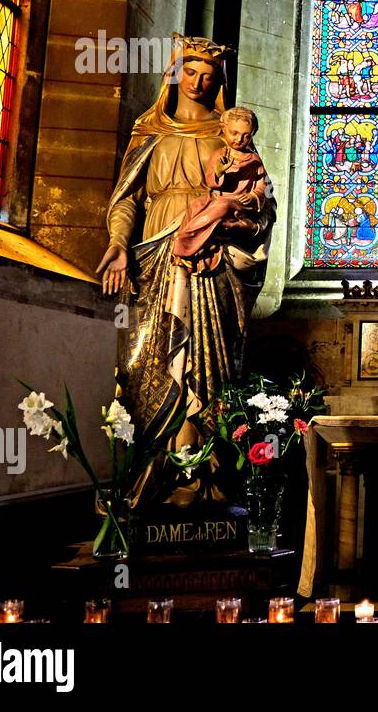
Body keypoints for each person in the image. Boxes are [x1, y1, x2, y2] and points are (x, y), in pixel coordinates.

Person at [95, 35, 274, 507]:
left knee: (201, 363)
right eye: (190, 72)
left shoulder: (231, 135)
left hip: (210, 262)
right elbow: (128, 197)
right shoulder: (149, 128)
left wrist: (228, 214)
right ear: (175, 72)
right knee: (148, 362)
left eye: (209, 77)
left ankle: (199, 472)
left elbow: (261, 203)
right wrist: (117, 244)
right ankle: (149, 473)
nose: (198, 83)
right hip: (154, 252)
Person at [170, 107, 270, 270]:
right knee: (196, 204)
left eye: (246, 135)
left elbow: (262, 186)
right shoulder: (220, 154)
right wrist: (219, 171)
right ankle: (187, 240)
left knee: (222, 207)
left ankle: (186, 241)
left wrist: (252, 196)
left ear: (252, 135)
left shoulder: (254, 160)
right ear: (224, 129)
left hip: (239, 202)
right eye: (234, 133)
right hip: (217, 196)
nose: (239, 139)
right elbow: (211, 181)